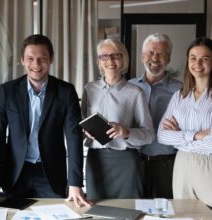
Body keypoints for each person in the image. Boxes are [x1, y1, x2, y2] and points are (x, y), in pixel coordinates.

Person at [0, 34, 90, 207]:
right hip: (16, 174)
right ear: (22, 60)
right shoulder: (7, 91)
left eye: (42, 58)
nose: (36, 65)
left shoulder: (66, 91)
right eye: (30, 58)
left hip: (51, 174)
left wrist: (75, 182)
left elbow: (73, 137)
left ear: (51, 59)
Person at [82, 38, 155, 200]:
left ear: (123, 59)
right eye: (104, 56)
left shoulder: (136, 93)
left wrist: (126, 132)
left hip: (126, 161)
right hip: (96, 160)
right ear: (99, 61)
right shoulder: (89, 89)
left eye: (116, 55)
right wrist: (86, 133)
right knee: (98, 211)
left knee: (129, 211)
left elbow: (149, 134)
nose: (110, 61)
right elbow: (81, 127)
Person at [158, 37, 212, 207]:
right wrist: (196, 135)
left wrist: (180, 138)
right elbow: (162, 136)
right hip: (182, 164)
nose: (198, 63)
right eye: (193, 58)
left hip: (208, 164)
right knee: (184, 214)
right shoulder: (179, 96)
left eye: (205, 58)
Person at [128, 33, 182, 198]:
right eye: (151, 52)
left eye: (162, 53)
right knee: (134, 211)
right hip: (133, 162)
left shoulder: (181, 91)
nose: (155, 58)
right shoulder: (129, 87)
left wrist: (180, 130)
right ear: (143, 56)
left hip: (167, 165)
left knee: (165, 213)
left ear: (169, 58)